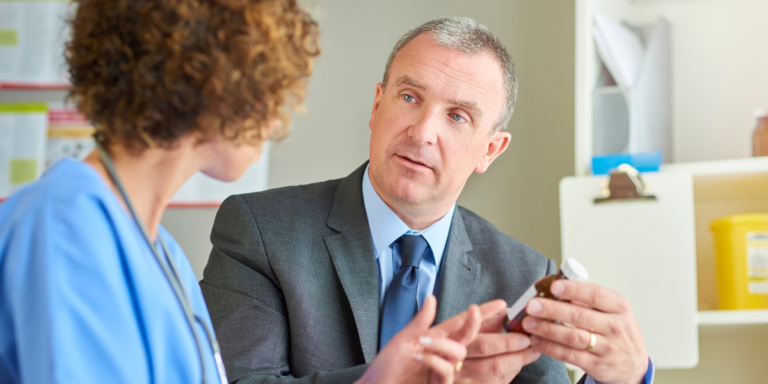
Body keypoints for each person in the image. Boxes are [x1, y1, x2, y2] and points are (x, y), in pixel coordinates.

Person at [0, 2, 485, 383]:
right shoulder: (66, 229)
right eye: (267, 85)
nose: (277, 120)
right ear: (209, 83)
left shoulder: (157, 249)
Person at [200, 16, 655, 384]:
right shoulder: (259, 231)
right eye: (410, 97)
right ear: (377, 106)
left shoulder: (523, 275)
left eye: (458, 116)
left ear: (490, 150)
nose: (422, 133)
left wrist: (627, 378)